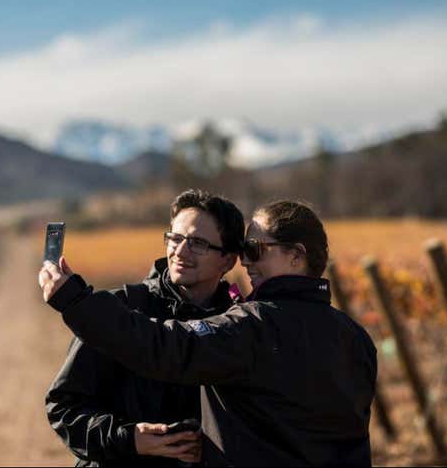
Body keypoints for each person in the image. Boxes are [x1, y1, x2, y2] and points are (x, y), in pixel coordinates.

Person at [40, 200, 377, 467]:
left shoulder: (249, 326)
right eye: (174, 237)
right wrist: (127, 439)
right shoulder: (357, 338)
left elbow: (167, 347)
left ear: (296, 256)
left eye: (255, 249)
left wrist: (74, 300)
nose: (248, 262)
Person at [45, 189, 245, 466]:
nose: (180, 251)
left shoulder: (240, 324)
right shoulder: (119, 308)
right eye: (175, 238)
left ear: (228, 259)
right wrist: (129, 439)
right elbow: (65, 407)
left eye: (198, 243)